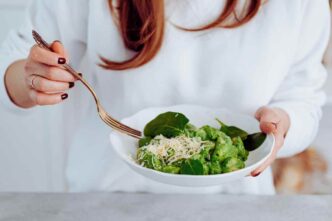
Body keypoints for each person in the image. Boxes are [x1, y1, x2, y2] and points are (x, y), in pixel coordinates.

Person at [0, 0, 329, 194]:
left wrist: (284, 123)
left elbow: (303, 96)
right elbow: (13, 61)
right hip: (107, 199)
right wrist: (31, 80)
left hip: (236, 203)